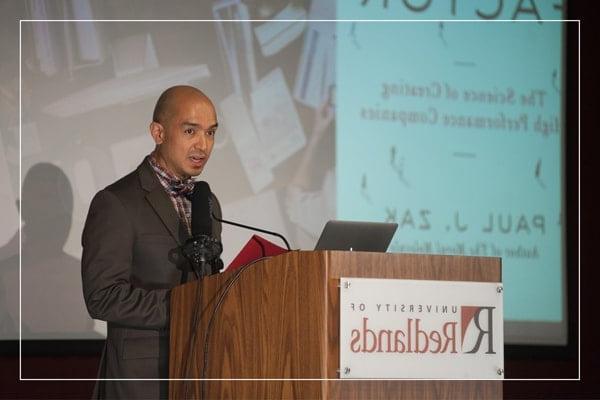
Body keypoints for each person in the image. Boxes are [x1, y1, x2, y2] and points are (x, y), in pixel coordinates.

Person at [81, 86, 222, 399]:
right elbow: (102, 297)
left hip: (200, 374)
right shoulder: (116, 202)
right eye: (190, 131)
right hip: (143, 379)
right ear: (158, 132)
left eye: (211, 133)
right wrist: (184, 306)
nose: (203, 145)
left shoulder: (206, 202)